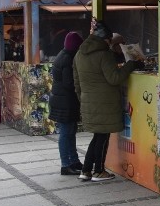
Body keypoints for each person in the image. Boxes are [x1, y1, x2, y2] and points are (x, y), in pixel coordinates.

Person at [73, 21, 137, 182]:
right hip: (104, 102)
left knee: (97, 137)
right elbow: (114, 78)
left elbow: (76, 82)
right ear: (105, 40)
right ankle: (99, 171)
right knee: (102, 138)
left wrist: (83, 99)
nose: (110, 44)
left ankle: (86, 170)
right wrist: (130, 65)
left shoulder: (79, 54)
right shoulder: (104, 54)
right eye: (109, 41)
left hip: (89, 101)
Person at [49, 32, 85, 175]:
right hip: (65, 101)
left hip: (63, 100)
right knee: (66, 133)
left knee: (70, 131)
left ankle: (74, 161)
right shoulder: (67, 59)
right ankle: (66, 164)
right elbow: (69, 83)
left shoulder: (63, 55)